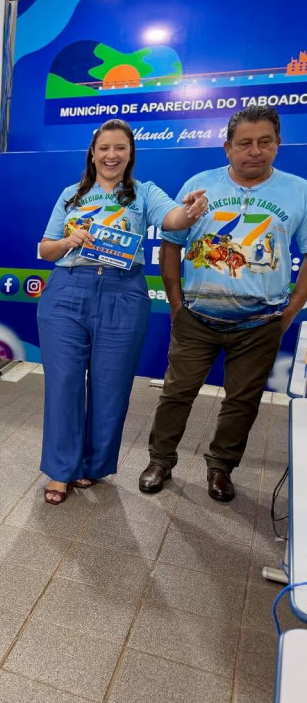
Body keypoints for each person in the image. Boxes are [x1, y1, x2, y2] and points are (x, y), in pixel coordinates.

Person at [37, 119, 208, 504]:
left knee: (110, 386)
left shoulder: (144, 193)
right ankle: (61, 470)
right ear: (92, 153)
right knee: (64, 384)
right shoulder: (71, 195)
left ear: (130, 154)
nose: (111, 155)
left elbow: (173, 218)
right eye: (104, 148)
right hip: (68, 292)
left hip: (123, 293)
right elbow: (45, 249)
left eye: (120, 148)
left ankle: (93, 465)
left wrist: (190, 212)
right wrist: (68, 241)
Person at [141, 107, 307, 501]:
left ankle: (221, 467)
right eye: (245, 143)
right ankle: (160, 460)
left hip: (261, 323)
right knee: (176, 393)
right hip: (196, 318)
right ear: (227, 147)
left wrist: (289, 312)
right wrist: (177, 304)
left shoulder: (299, 191)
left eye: (265, 142)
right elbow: (171, 244)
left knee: (242, 402)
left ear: (278, 144)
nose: (255, 151)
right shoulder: (200, 185)